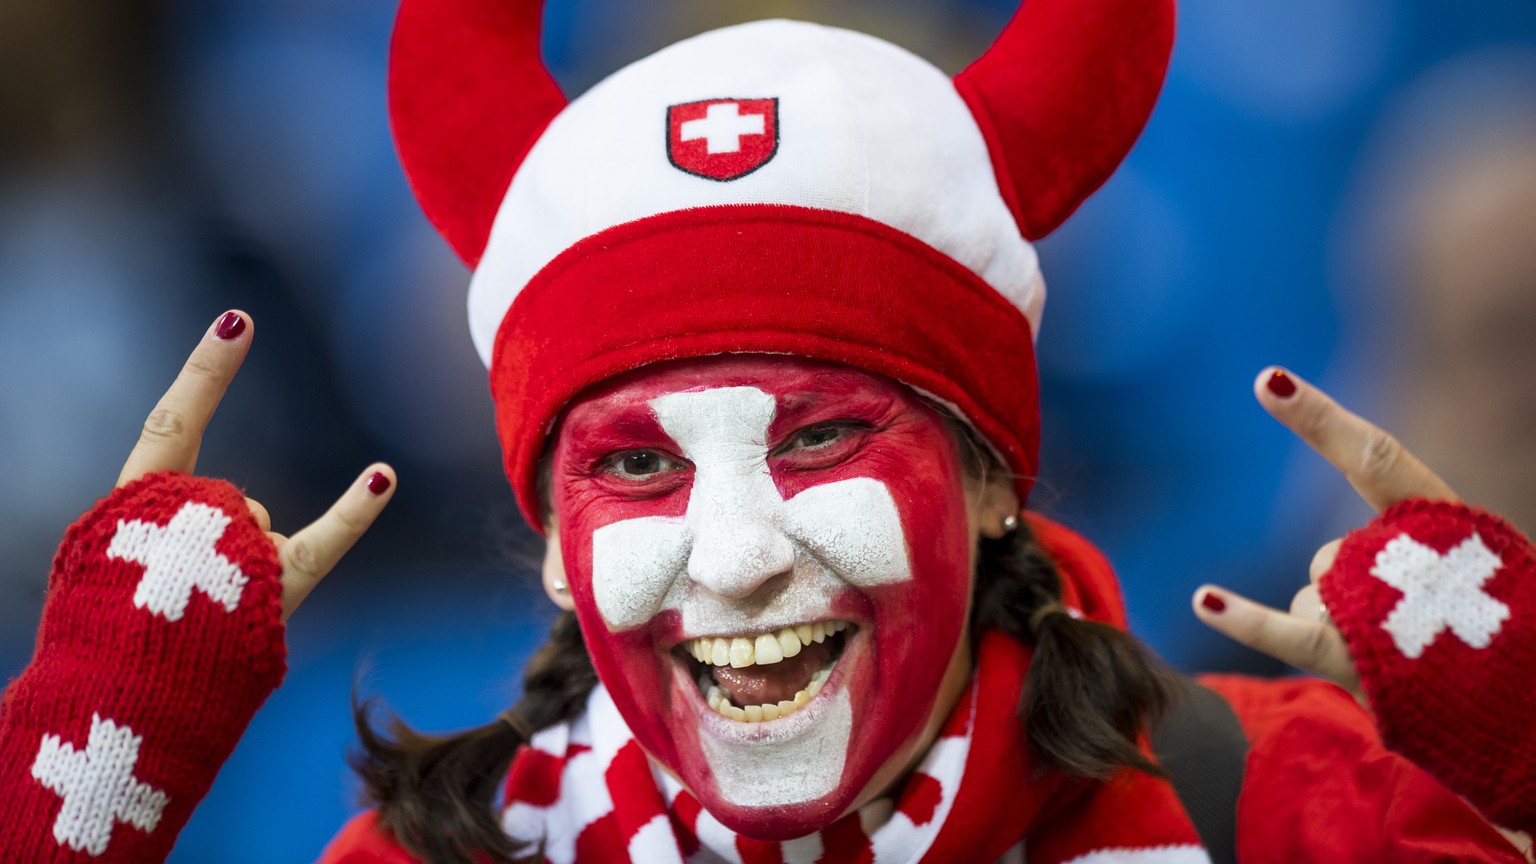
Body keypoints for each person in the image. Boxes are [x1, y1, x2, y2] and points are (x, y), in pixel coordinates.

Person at [2, 0, 1534, 862]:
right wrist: (92, 775)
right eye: (634, 467)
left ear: (995, 473)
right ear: (549, 543)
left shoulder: (1277, 814)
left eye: (817, 442)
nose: (732, 559)